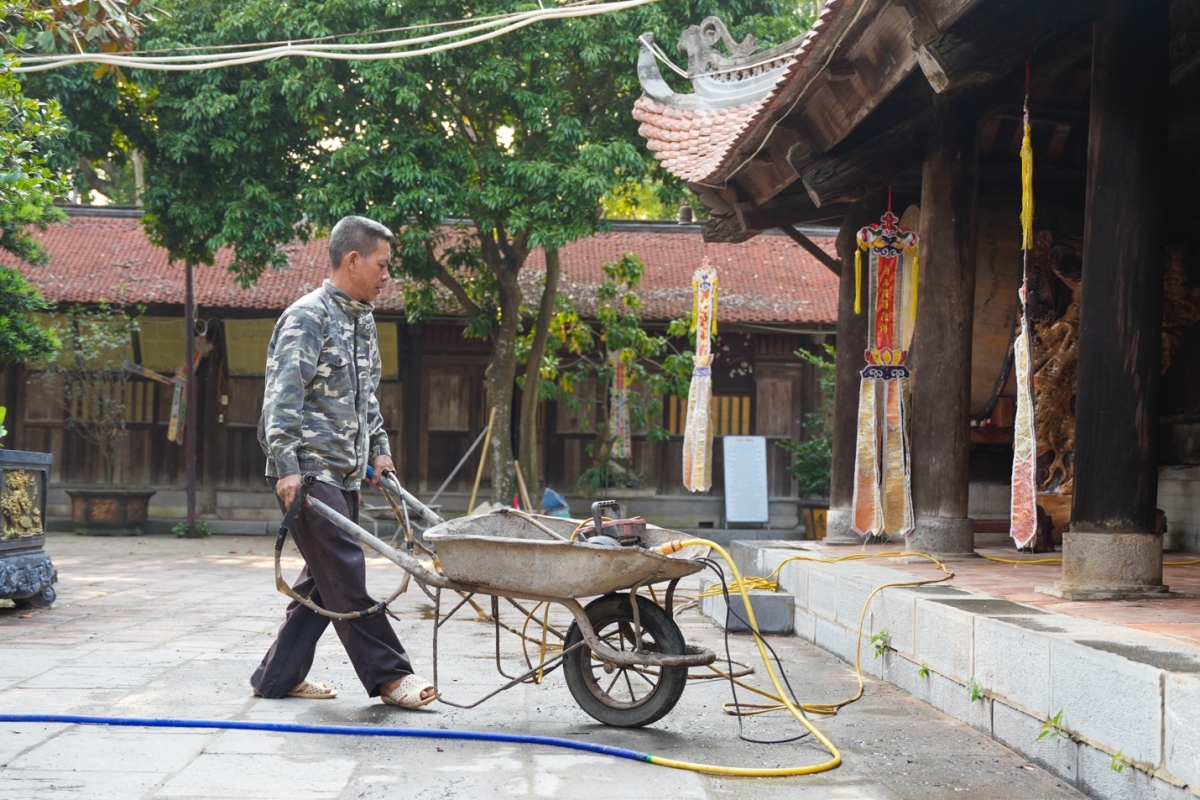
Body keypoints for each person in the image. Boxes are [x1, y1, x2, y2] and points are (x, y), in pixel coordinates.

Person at [250, 215, 437, 708]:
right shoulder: (306, 317)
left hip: (347, 470)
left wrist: (380, 452)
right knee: (345, 573)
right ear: (352, 260)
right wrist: (287, 466)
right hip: (309, 471)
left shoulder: (362, 320)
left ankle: (276, 677)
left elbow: (366, 398)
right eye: (382, 265)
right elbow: (281, 399)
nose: (386, 276)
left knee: (324, 578)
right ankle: (391, 676)